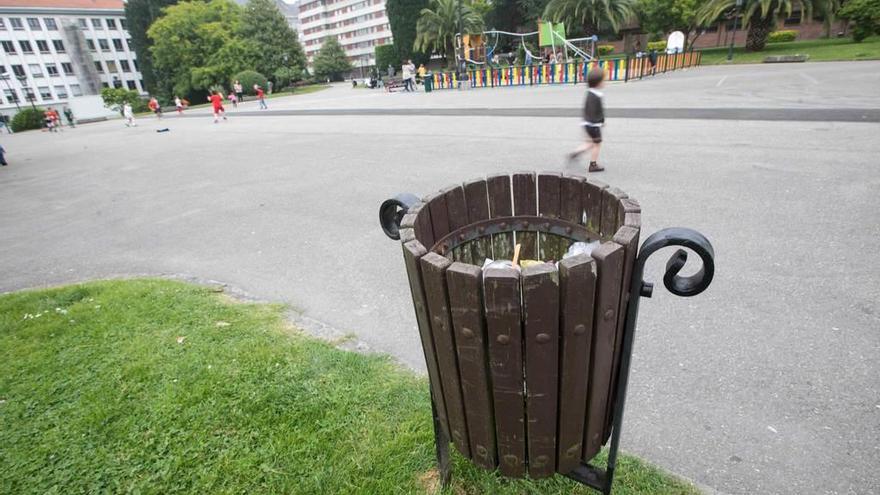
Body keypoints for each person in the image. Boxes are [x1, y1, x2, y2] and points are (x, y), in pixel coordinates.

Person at [567, 69, 606, 173]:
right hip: (593, 125)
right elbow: (597, 111)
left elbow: (587, 109)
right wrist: (600, 122)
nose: (604, 83)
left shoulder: (589, 93)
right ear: (599, 83)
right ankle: (593, 165)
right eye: (603, 81)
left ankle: (576, 152)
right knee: (597, 144)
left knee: (590, 143)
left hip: (586, 122)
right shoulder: (597, 96)